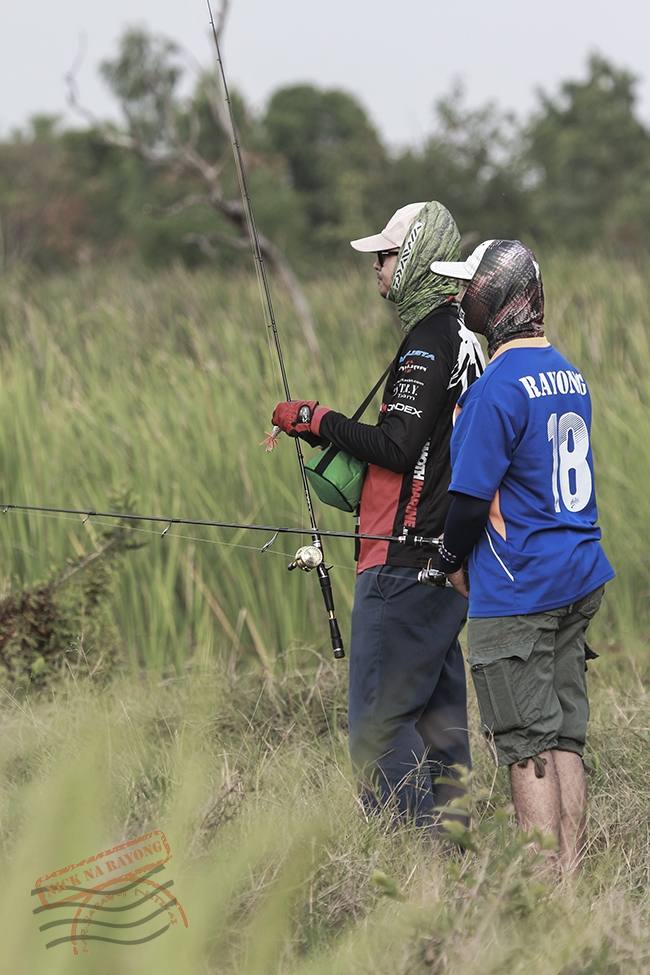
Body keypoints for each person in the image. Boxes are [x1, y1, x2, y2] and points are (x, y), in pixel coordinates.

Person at [272, 201, 484, 827]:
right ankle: (462, 865)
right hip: (446, 564)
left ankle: (412, 861)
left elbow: (396, 445)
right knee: (441, 730)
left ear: (418, 260)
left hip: (401, 563)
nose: (378, 269)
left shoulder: (425, 342)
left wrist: (317, 420)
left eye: (387, 257)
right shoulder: (466, 338)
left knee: (376, 731)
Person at [431, 239, 615, 870]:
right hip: (576, 575)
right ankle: (570, 878)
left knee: (525, 744)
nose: (461, 298)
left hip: (520, 589)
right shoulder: (568, 373)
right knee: (563, 734)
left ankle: (542, 895)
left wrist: (448, 560)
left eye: (470, 287)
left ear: (498, 297)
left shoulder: (494, 389)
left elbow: (467, 503)